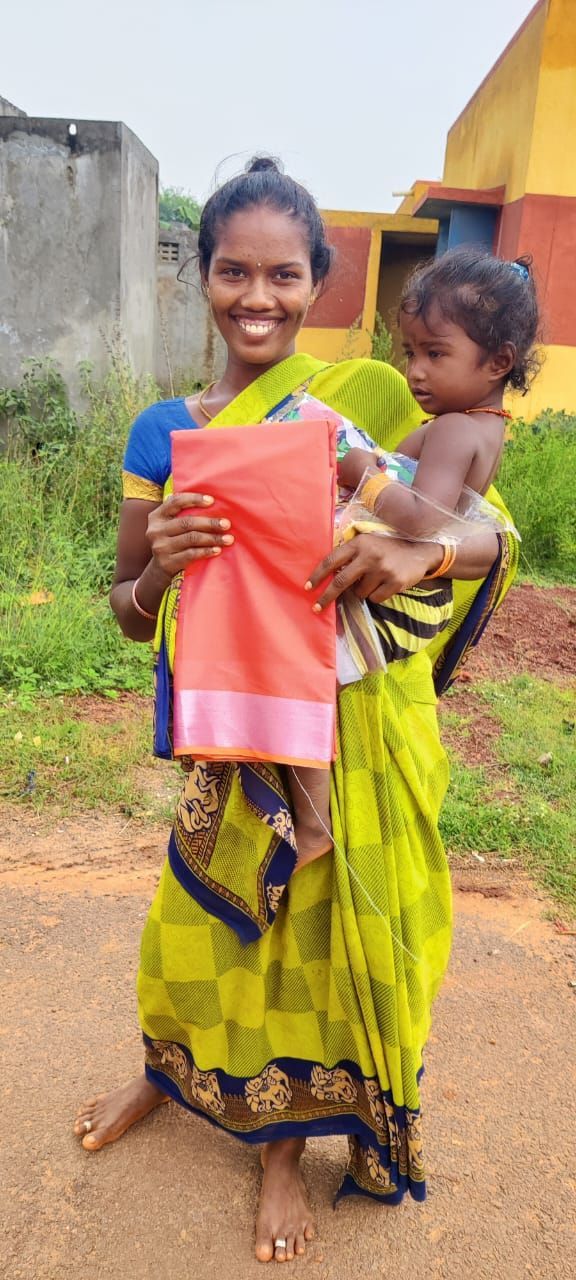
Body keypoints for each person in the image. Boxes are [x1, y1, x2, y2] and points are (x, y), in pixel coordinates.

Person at [74, 157, 519, 1265]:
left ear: (319, 280)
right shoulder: (158, 432)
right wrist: (161, 570)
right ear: (205, 277)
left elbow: (485, 536)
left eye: (282, 273)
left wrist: (408, 552)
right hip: (234, 720)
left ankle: (282, 1148)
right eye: (233, 270)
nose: (256, 296)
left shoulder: (372, 399)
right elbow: (127, 612)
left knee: (311, 935)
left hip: (353, 724)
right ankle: (165, 1074)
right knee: (196, 922)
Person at [296, 248, 540, 862]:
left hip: (406, 593)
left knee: (306, 669)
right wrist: (378, 467)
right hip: (418, 592)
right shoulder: (479, 423)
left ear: (498, 361)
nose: (415, 371)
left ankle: (312, 824)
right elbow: (402, 469)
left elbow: (423, 517)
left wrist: (359, 469)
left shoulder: (458, 429)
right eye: (411, 352)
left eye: (436, 353)